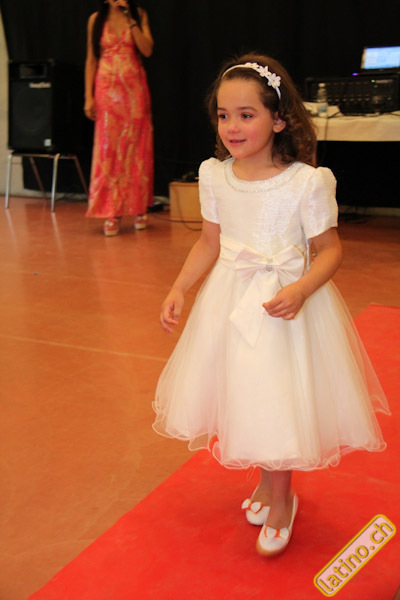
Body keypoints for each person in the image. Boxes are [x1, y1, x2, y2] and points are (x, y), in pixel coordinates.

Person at [153, 53, 390, 557]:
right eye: (223, 115)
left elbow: (331, 251)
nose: (232, 126)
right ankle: (266, 484)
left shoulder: (306, 182)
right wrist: (180, 288)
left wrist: (301, 289)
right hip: (230, 304)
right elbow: (209, 242)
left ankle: (282, 500)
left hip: (284, 308)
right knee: (249, 395)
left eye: (247, 114)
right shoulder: (215, 176)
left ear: (279, 119)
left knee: (276, 400)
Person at [84, 0, 154, 236]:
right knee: (109, 149)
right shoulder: (96, 20)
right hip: (106, 88)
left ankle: (139, 208)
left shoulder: (138, 14)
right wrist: (88, 97)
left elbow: (147, 50)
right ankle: (111, 211)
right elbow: (91, 59)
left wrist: (131, 20)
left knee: (136, 147)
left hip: (133, 90)